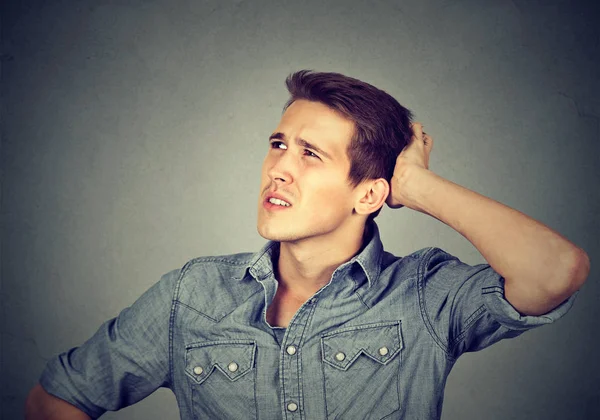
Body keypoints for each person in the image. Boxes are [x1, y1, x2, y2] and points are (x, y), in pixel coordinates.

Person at [25, 70, 589, 420]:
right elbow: (55, 400)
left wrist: (415, 185)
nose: (278, 169)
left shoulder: (424, 295)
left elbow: (556, 271)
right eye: (278, 144)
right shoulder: (192, 295)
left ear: (369, 193)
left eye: (310, 154)